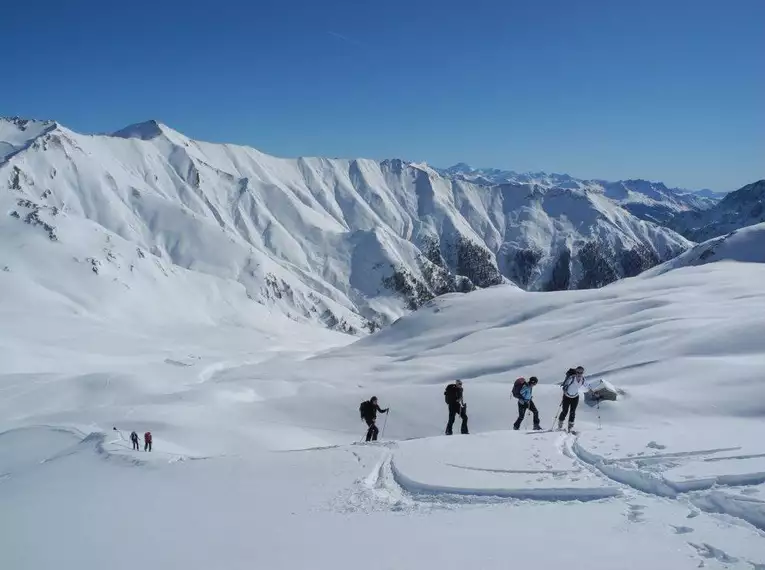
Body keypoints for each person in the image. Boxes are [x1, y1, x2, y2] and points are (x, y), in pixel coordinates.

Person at [558, 366, 592, 432]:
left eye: (581, 372)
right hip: (567, 397)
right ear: (576, 372)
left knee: (572, 412)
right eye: (578, 372)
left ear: (583, 373)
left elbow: (587, 386)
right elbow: (565, 386)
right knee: (565, 411)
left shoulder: (583, 380)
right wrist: (564, 390)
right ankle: (560, 426)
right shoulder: (571, 378)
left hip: (575, 397)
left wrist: (593, 393)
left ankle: (570, 428)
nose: (579, 374)